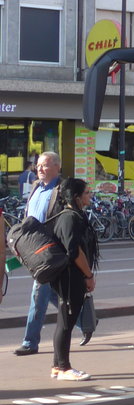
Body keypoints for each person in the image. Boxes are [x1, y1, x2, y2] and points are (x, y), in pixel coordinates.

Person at [12, 151, 96, 355]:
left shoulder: (62, 189)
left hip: (51, 250)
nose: (39, 169)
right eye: (38, 165)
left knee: (39, 292)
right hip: (34, 247)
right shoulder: (34, 187)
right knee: (53, 293)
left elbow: (69, 218)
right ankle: (85, 322)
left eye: (45, 165)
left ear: (57, 167)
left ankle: (30, 342)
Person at [47, 178, 99, 381]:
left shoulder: (72, 215)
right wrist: (89, 275)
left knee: (64, 320)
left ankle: (56, 366)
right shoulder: (70, 218)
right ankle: (64, 367)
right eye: (86, 193)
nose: (89, 195)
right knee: (66, 322)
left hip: (69, 276)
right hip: (70, 277)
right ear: (77, 197)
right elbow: (75, 251)